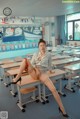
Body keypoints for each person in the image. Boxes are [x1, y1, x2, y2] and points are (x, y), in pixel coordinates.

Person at [9, 39, 68, 117]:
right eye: (41, 45)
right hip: (34, 72)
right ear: (38, 47)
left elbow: (49, 65)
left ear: (45, 46)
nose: (42, 47)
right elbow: (32, 64)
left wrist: (51, 72)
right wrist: (36, 69)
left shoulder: (49, 54)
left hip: (43, 73)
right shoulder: (35, 54)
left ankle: (62, 108)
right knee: (25, 60)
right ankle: (17, 77)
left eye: (43, 45)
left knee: (53, 89)